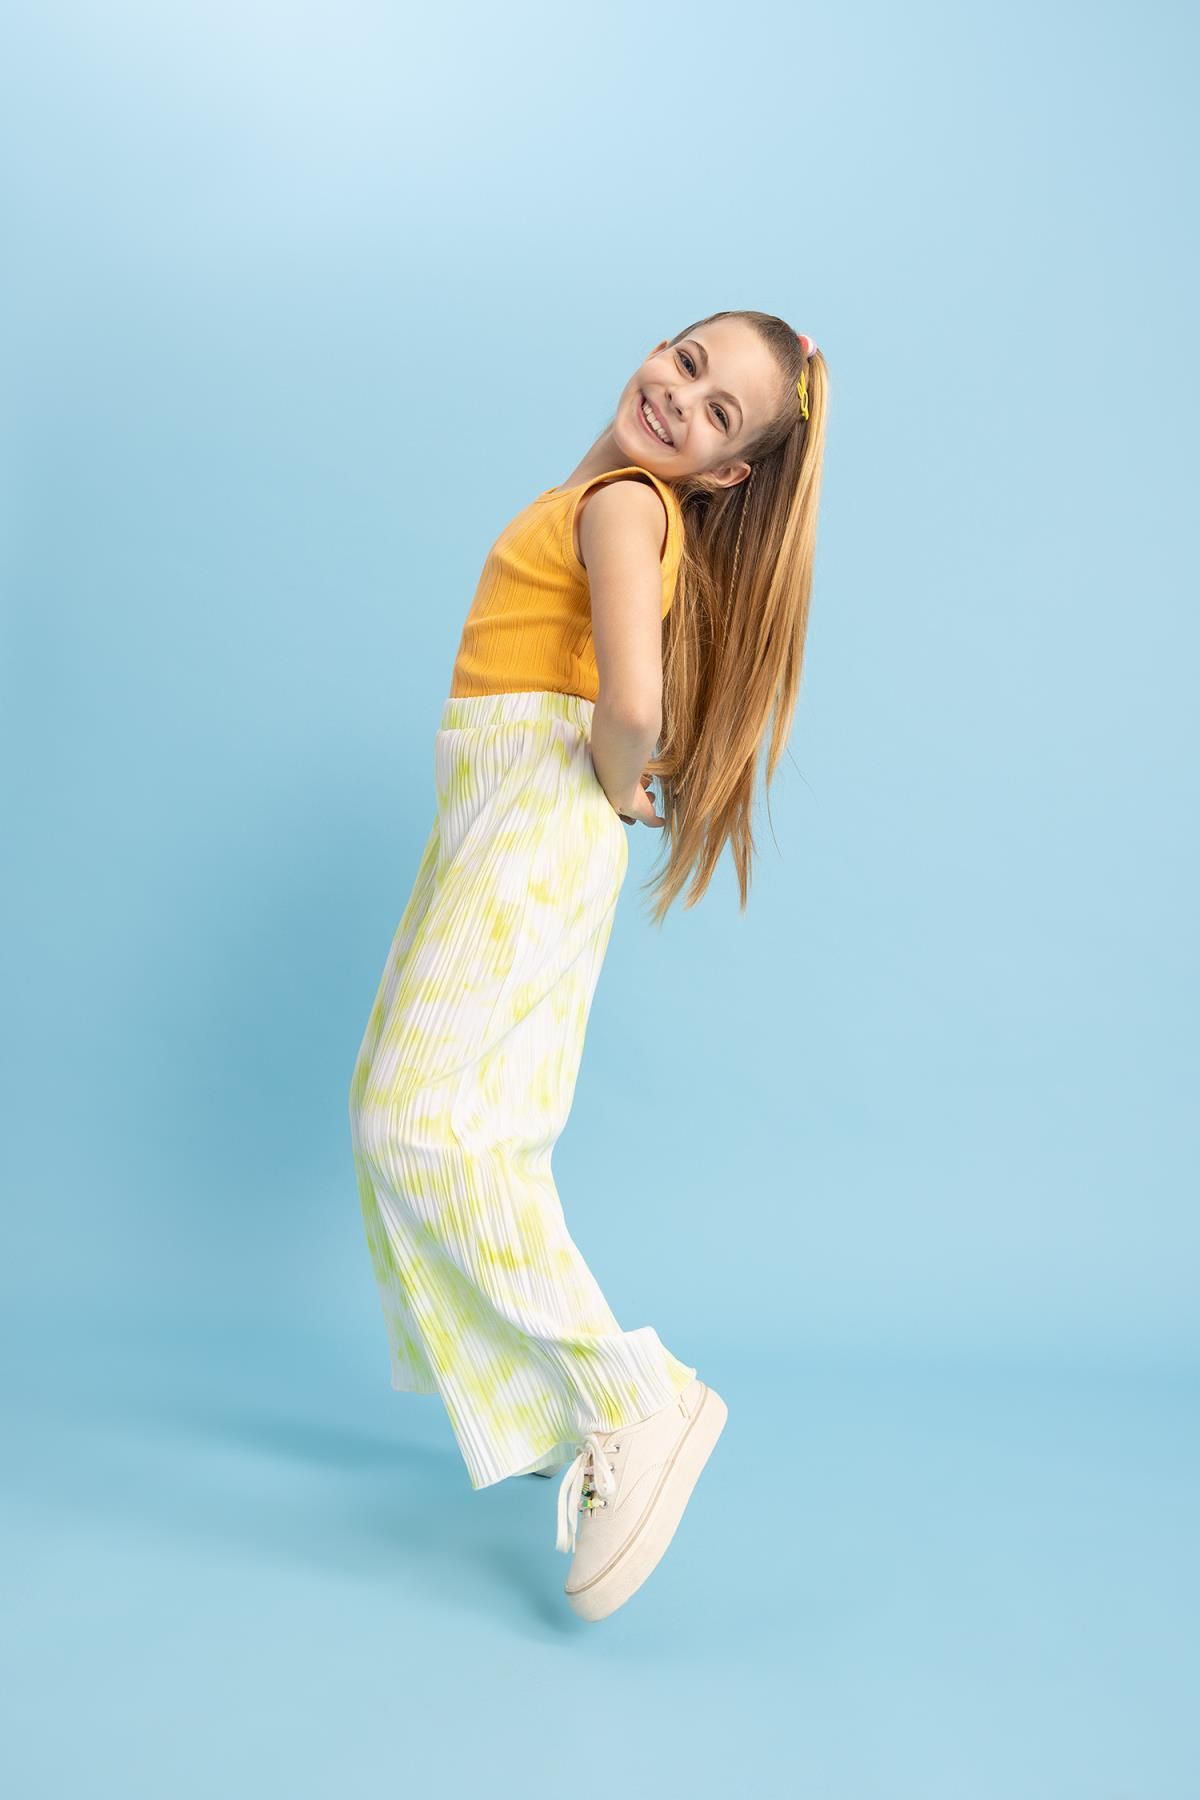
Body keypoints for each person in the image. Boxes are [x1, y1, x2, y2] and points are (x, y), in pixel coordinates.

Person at [347, 309, 827, 1622]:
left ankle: (633, 1401)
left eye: (717, 414)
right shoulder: (602, 498)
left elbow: (631, 708)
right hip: (504, 823)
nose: (679, 398)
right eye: (686, 362)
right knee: (459, 1131)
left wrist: (613, 787)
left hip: (534, 821)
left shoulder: (621, 505)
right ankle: (561, 1413)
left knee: (418, 1125)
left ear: (726, 474)